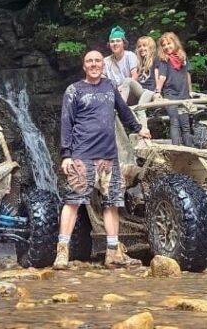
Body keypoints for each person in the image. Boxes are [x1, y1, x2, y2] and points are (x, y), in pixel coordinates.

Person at [54, 50, 152, 270]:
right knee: (73, 202)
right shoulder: (74, 90)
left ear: (103, 65)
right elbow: (66, 123)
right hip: (81, 157)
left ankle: (112, 253)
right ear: (84, 65)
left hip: (108, 157)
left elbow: (124, 111)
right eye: (89, 61)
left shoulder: (110, 87)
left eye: (98, 61)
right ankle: (62, 252)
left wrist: (139, 128)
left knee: (112, 204)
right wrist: (66, 155)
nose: (94, 64)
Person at [155, 31, 194, 147]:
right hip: (171, 95)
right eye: (164, 45)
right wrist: (158, 92)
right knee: (175, 122)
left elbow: (187, 75)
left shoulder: (183, 57)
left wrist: (190, 91)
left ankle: (190, 149)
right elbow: (162, 77)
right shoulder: (164, 60)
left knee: (186, 124)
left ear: (175, 43)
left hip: (183, 94)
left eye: (169, 43)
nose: (166, 47)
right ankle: (176, 149)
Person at [103, 26, 143, 103]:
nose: (115, 44)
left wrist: (121, 88)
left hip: (132, 91)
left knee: (127, 80)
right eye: (112, 41)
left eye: (118, 41)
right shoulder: (106, 61)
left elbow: (134, 76)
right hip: (115, 93)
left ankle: (121, 107)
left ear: (123, 43)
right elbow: (102, 78)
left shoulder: (130, 56)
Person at [134, 35, 162, 105]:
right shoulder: (139, 62)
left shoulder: (155, 59)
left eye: (144, 46)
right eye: (139, 46)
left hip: (150, 90)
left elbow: (157, 77)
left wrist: (158, 92)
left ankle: (141, 115)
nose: (141, 48)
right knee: (128, 81)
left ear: (150, 47)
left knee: (140, 107)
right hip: (141, 90)